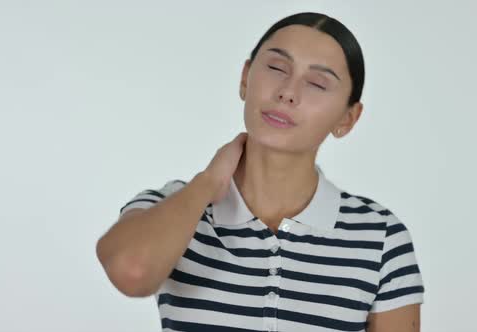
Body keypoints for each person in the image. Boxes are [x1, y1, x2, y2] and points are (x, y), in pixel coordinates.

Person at [96, 11, 425, 332]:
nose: (288, 92)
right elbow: (131, 271)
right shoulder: (172, 205)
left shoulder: (380, 237)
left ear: (347, 118)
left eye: (317, 83)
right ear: (244, 78)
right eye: (276, 67)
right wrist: (207, 183)